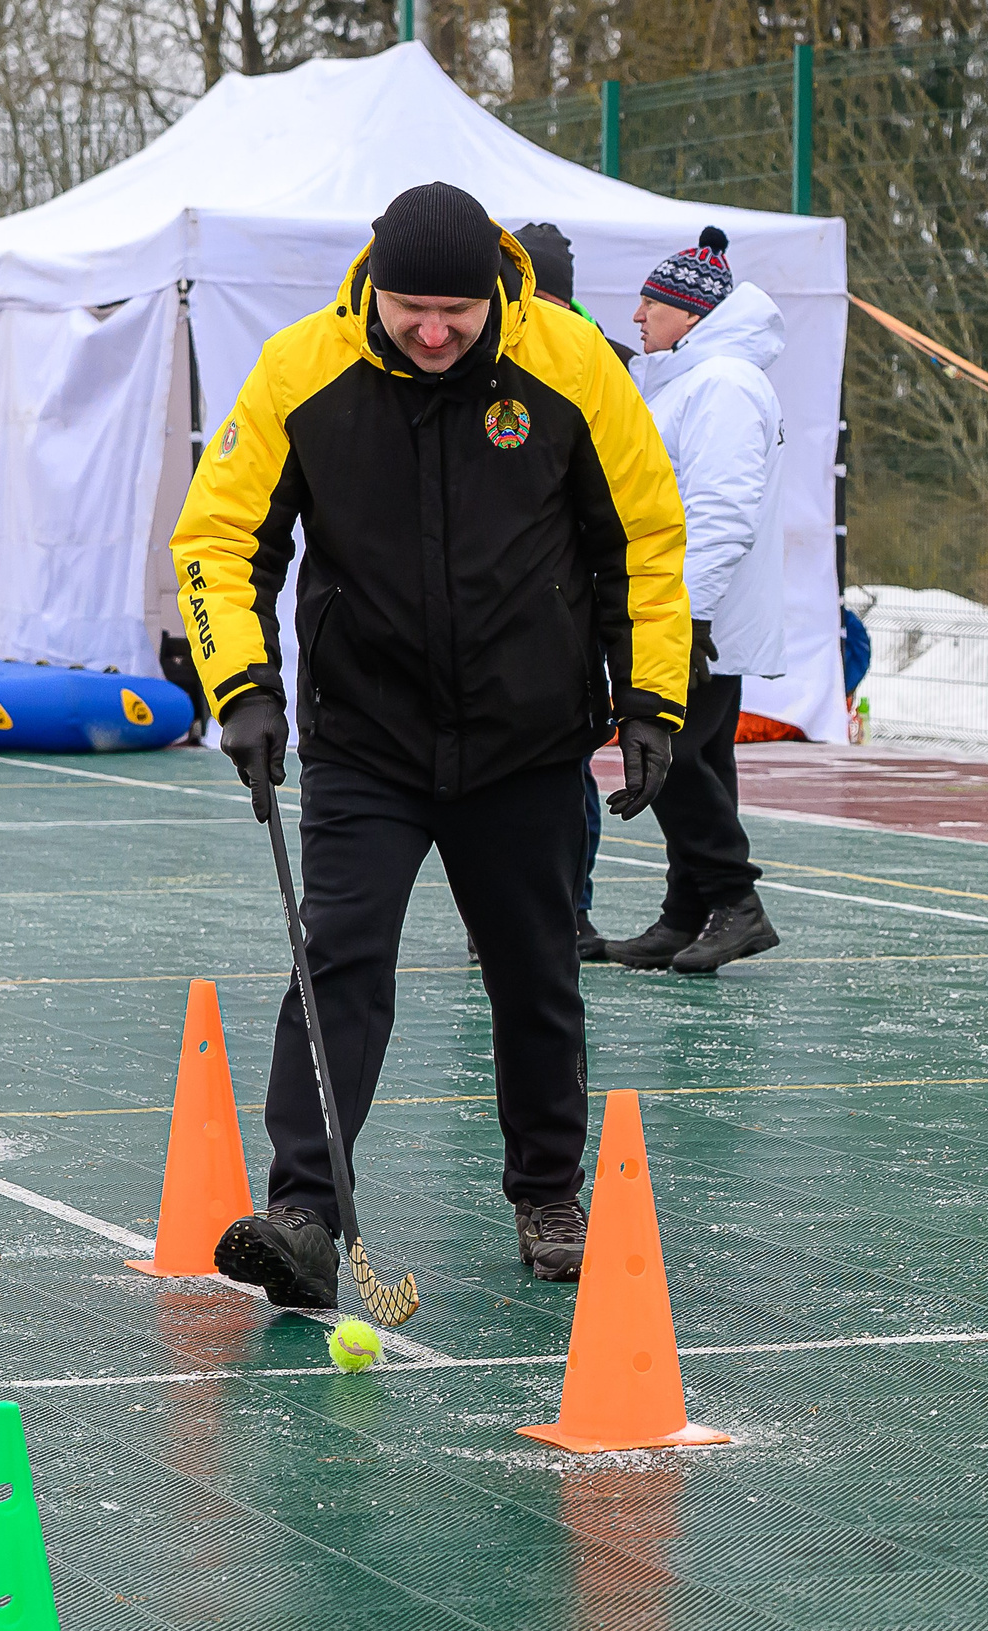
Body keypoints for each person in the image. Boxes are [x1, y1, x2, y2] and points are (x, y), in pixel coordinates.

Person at [172, 182, 691, 1306]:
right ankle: (305, 1210)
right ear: (376, 289)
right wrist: (243, 687)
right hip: (368, 738)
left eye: (458, 312)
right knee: (339, 959)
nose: (436, 331)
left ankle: (547, 1187)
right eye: (413, 309)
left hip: (529, 738)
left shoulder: (571, 366)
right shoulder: (302, 371)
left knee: (535, 971)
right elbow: (220, 540)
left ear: (497, 295)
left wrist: (652, 698)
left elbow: (641, 543)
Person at [603, 227, 790, 975]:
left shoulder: (723, 385)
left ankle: (735, 900)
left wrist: (689, 613)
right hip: (700, 607)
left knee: (669, 756)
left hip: (694, 611)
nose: (639, 313)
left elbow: (718, 508)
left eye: (655, 301)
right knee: (702, 757)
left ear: (693, 313)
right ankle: (690, 912)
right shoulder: (704, 379)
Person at [511, 220, 636, 965]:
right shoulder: (489, 351)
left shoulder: (604, 365)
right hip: (528, 604)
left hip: (573, 610)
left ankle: (570, 909)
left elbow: (636, 505)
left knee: (566, 769)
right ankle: (518, 910)